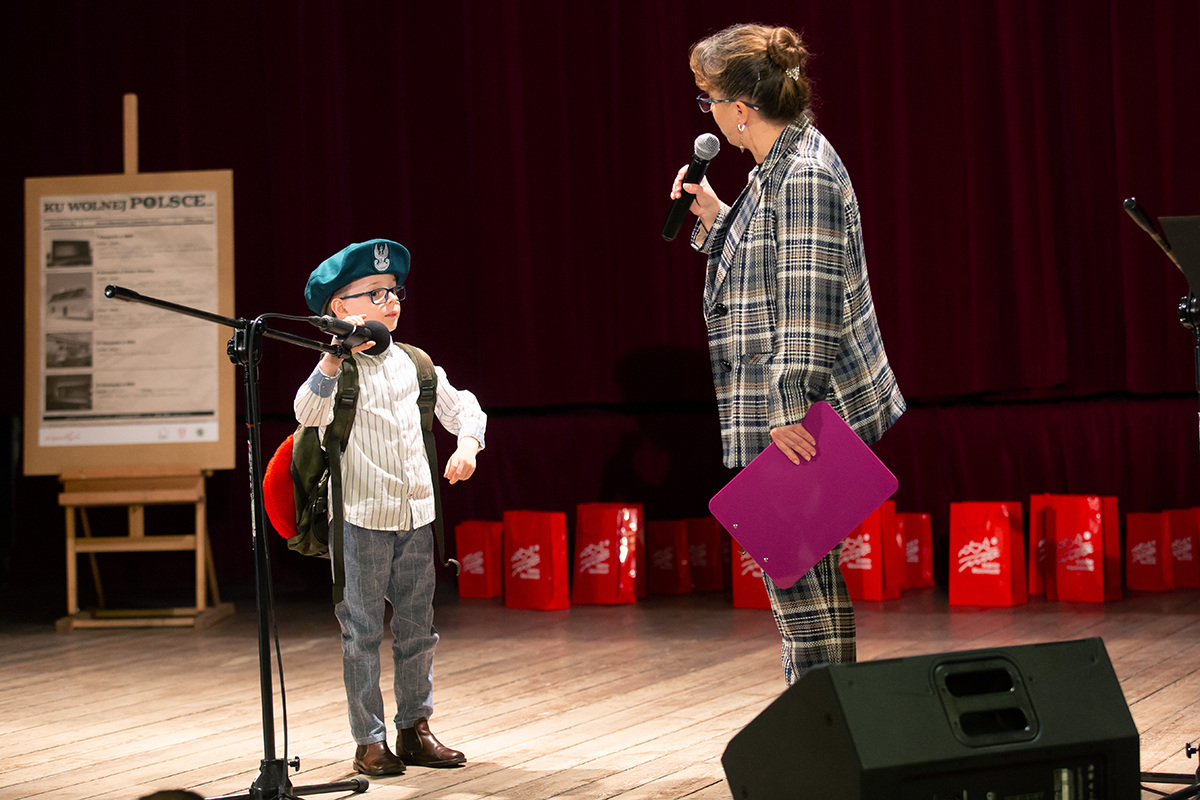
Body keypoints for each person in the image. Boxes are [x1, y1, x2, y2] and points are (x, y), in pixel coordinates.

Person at [670, 24, 905, 685]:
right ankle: (827, 716)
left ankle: (826, 717)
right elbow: (767, 258)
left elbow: (807, 303)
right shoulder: (780, 164)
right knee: (799, 573)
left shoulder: (802, 175)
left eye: (709, 99)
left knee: (798, 578)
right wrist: (716, 217)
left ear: (741, 108)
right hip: (789, 403)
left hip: (804, 410)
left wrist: (790, 408)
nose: (709, 113)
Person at [295, 238, 486, 775]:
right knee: (361, 631)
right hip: (361, 517)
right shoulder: (337, 369)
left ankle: (415, 728)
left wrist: (468, 445)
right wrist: (334, 354)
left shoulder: (415, 363)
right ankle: (369, 740)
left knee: (418, 628)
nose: (391, 300)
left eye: (394, 290)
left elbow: (463, 408)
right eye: (375, 293)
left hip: (416, 516)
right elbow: (307, 411)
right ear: (339, 307)